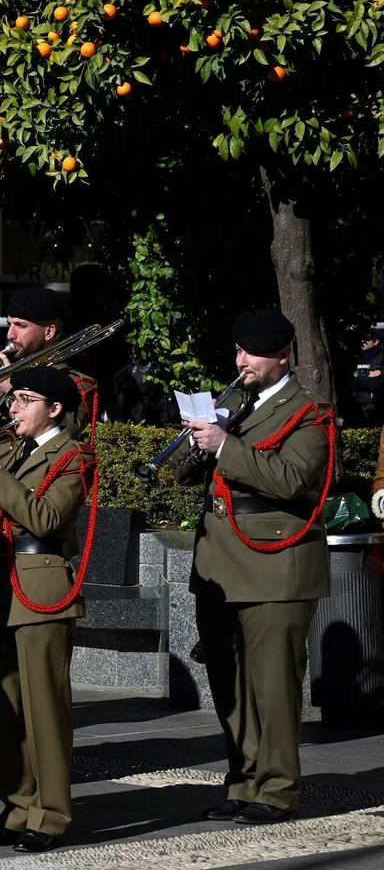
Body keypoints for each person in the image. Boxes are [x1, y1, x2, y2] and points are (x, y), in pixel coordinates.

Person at [183, 310, 333, 826]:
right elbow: (191, 474)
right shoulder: (234, 403)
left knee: (272, 686)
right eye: (239, 351)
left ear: (284, 356)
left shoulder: (311, 411)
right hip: (221, 563)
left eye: (253, 353)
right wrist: (196, 441)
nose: (242, 362)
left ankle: (278, 789)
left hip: (276, 560)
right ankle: (243, 783)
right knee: (231, 686)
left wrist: (226, 445)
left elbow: (293, 479)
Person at [0, 366, 92, 854]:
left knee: (43, 709)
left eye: (26, 400)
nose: (14, 408)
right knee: (1, 709)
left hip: (39, 585)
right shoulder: (9, 450)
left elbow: (47, 518)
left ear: (54, 408)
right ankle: (17, 805)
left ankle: (51, 815)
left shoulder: (71, 455)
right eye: (15, 399)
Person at [0, 288, 93, 440]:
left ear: (49, 332)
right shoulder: (6, 376)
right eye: (9, 325)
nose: (10, 335)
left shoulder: (75, 384)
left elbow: (61, 439)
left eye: (21, 326)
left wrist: (14, 392)